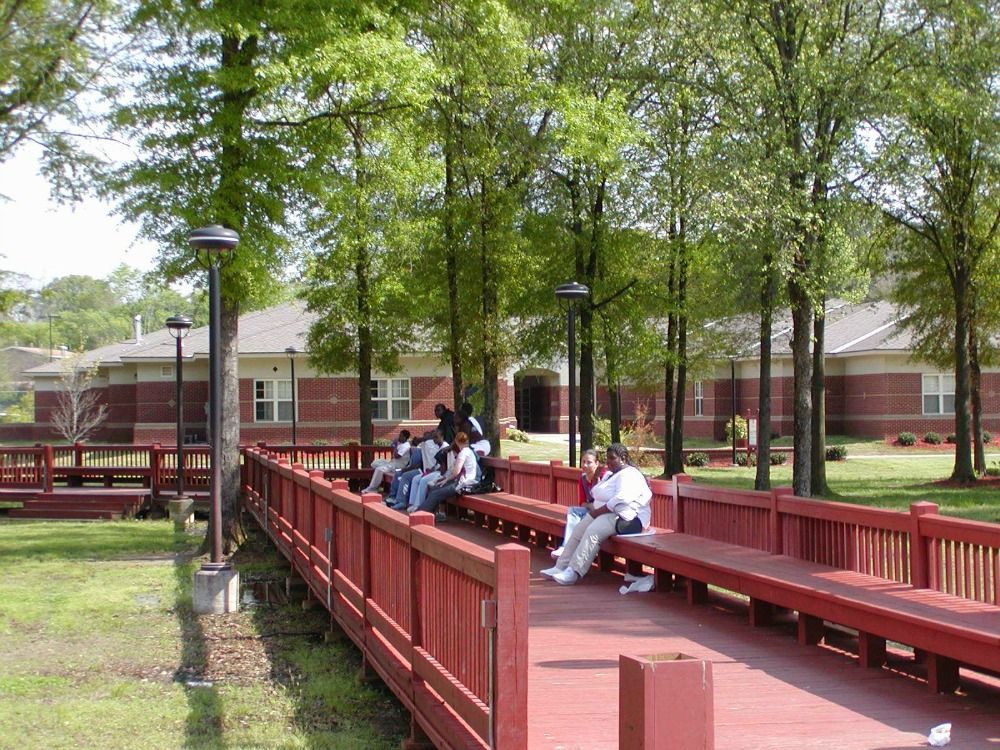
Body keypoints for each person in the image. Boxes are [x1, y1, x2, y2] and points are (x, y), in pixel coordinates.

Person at [540, 443, 651, 586]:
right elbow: (595, 491)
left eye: (612, 458)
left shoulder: (629, 474)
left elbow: (621, 499)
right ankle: (560, 566)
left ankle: (573, 571)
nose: (608, 462)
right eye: (607, 459)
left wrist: (597, 511)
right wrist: (598, 492)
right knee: (579, 529)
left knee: (593, 531)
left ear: (623, 458)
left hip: (630, 520)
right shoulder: (611, 474)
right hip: (609, 514)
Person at [550, 448, 611, 559]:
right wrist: (590, 506)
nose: (585, 465)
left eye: (589, 462)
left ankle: (568, 549)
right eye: (583, 462)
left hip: (605, 512)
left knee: (578, 517)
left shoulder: (604, 476)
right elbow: (582, 503)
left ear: (597, 463)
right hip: (591, 511)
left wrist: (594, 506)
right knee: (573, 510)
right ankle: (565, 547)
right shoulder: (582, 479)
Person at [414, 431, 478, 514]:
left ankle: (422, 513)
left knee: (435, 493)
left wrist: (446, 480)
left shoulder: (463, 453)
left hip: (463, 483)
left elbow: (456, 472)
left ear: (457, 441)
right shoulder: (469, 451)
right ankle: (434, 513)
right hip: (462, 481)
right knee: (434, 488)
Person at [388, 430, 445, 511]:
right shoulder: (425, 445)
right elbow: (417, 454)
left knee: (420, 480)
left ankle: (418, 506)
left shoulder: (438, 446)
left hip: (436, 472)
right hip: (423, 470)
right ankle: (407, 502)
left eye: (428, 436)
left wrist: (430, 470)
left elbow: (439, 465)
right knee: (408, 476)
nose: (425, 437)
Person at [361, 429, 411, 493]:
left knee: (379, 469)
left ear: (404, 437)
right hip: (393, 463)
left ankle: (372, 488)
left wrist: (395, 445)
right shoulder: (400, 444)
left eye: (400, 436)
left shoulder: (406, 446)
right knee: (375, 463)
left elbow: (397, 456)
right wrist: (395, 445)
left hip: (399, 466)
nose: (399, 437)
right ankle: (379, 481)